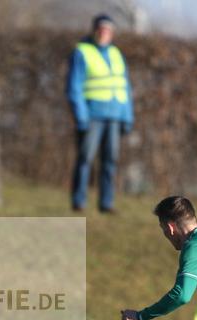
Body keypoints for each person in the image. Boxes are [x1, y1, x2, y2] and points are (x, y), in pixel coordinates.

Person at [65, 13, 133, 213]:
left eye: (108, 30)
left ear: (112, 33)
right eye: (101, 29)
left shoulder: (116, 54)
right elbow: (74, 87)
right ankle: (78, 202)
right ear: (94, 30)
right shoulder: (82, 51)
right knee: (85, 159)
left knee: (110, 162)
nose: (104, 33)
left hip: (114, 116)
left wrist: (127, 117)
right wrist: (81, 116)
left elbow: (125, 87)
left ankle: (106, 204)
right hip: (92, 115)